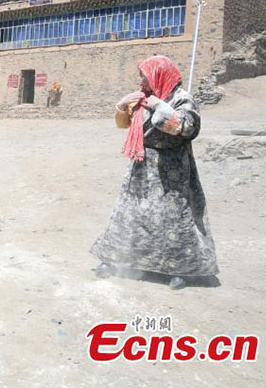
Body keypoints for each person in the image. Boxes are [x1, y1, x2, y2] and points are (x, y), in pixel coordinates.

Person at [90, 55, 218, 290]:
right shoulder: (144, 98)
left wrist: (160, 107)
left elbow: (187, 128)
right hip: (142, 164)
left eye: (144, 77)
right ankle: (114, 260)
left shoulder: (182, 99)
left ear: (158, 75)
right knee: (130, 214)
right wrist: (121, 106)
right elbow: (124, 123)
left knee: (173, 217)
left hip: (172, 170)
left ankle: (180, 269)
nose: (141, 82)